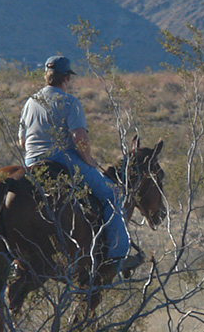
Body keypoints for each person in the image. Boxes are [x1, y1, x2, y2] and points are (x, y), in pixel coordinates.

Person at [18, 54, 130, 262]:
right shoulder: (70, 102)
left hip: (31, 160)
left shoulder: (30, 102)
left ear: (47, 76)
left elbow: (22, 142)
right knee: (113, 194)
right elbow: (79, 136)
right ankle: (118, 255)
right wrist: (88, 161)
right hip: (61, 159)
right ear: (66, 78)